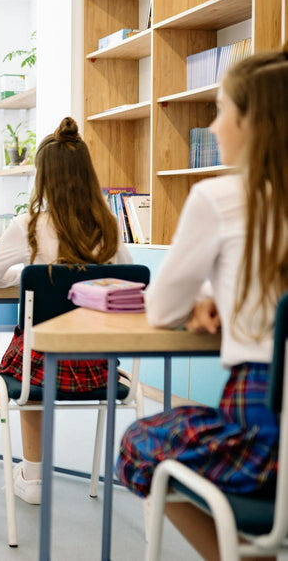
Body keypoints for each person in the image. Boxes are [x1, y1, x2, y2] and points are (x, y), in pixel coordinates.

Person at [116, 47, 288, 561]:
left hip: (264, 435)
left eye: (219, 110)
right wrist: (217, 293)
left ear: (250, 121)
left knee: (139, 445)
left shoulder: (219, 197)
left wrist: (199, 301)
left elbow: (163, 310)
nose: (212, 127)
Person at [0, 116, 132, 504]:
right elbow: (128, 280)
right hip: (99, 365)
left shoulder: (30, 224)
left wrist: (27, 273)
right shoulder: (109, 226)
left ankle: (31, 476)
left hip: (38, 367)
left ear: (43, 179)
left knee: (29, 350)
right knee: (33, 349)